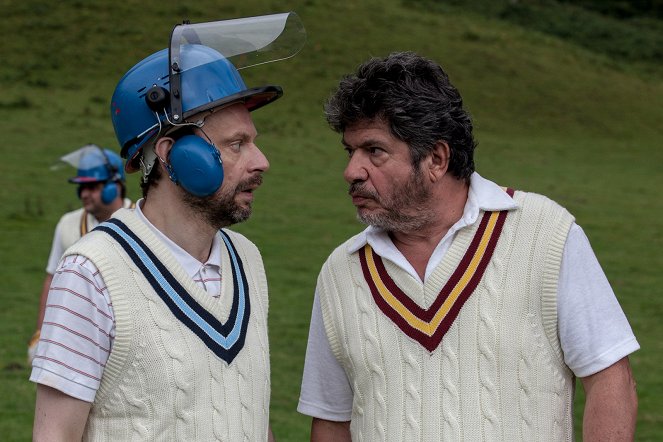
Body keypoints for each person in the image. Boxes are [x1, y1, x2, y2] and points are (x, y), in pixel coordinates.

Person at [298, 52, 639, 441]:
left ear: (437, 158)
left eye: (374, 151)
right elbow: (330, 421)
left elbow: (611, 379)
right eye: (350, 151)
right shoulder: (341, 271)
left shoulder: (546, 233)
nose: (352, 171)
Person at [31, 13, 303, 441]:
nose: (261, 161)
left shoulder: (248, 260)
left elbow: (248, 410)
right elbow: (55, 435)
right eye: (237, 144)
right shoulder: (91, 273)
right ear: (172, 155)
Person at [28, 146, 132, 363]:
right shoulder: (67, 224)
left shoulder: (141, 220)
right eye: (81, 187)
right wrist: (41, 333)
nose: (84, 194)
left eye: (92, 186)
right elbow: (51, 279)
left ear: (115, 186)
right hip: (76, 337)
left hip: (127, 336)